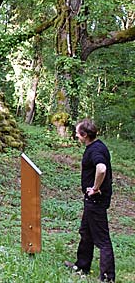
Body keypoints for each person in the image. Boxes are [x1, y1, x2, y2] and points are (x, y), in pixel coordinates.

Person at [65, 118, 115, 282]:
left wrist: (95, 188)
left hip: (96, 201)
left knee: (102, 240)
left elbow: (101, 169)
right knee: (86, 233)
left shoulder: (95, 150)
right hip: (92, 201)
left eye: (78, 134)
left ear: (84, 135)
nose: (76, 137)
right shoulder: (97, 146)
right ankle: (82, 266)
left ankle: (108, 277)